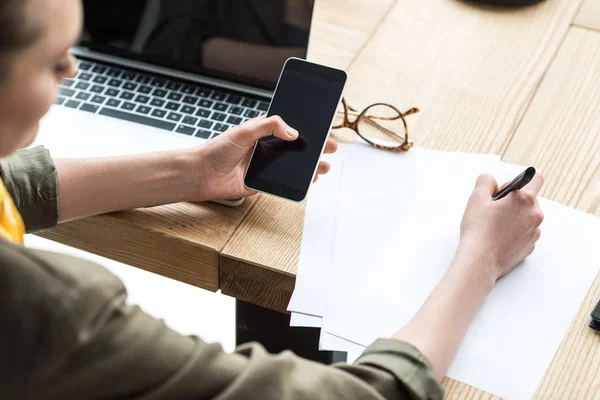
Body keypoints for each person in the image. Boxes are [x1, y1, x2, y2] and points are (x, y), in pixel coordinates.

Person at [0, 0, 544, 399]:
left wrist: (193, 173)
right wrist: (481, 258)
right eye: (53, 62)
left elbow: (9, 185)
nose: (74, 69)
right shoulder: (46, 311)